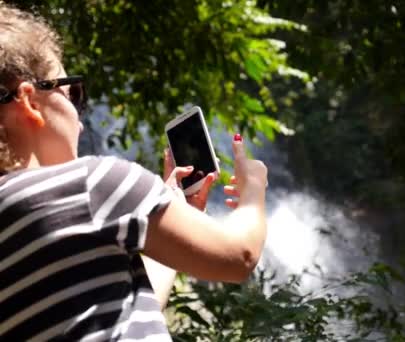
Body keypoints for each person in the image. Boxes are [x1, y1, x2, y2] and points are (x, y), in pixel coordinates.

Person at [0, 2, 268, 341]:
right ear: (30, 101)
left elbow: (119, 311)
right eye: (72, 93)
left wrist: (176, 213)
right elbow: (239, 256)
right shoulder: (90, 185)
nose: (80, 119)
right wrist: (254, 190)